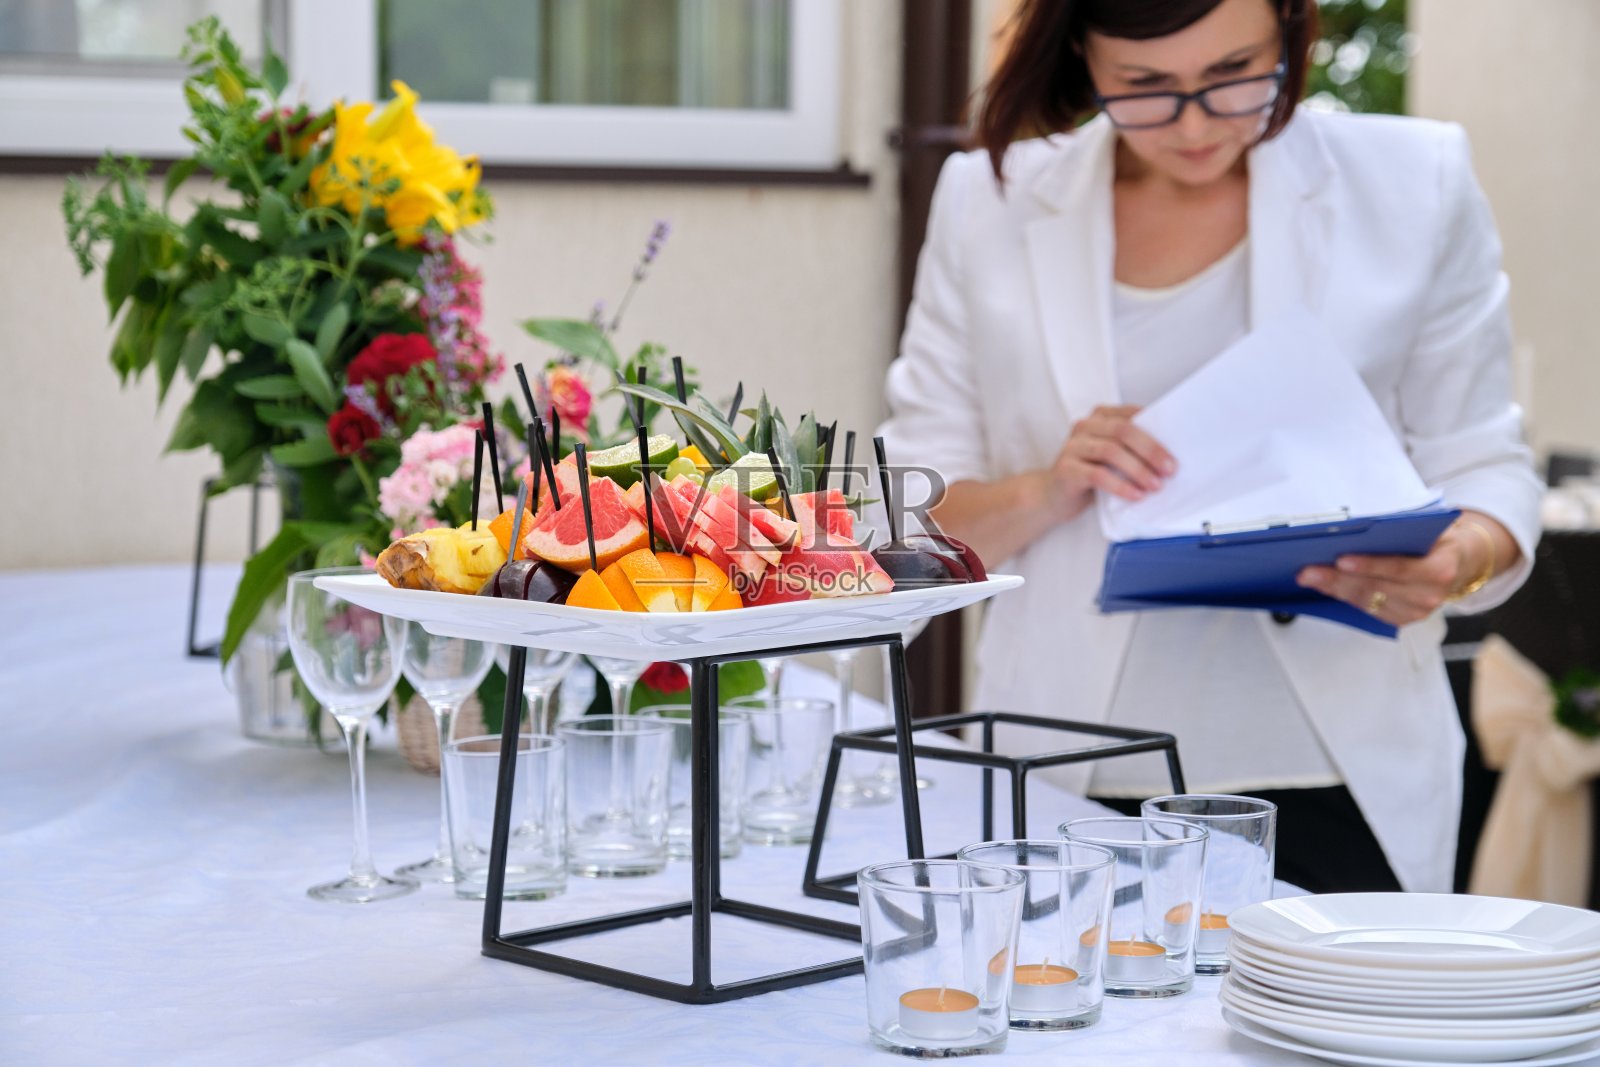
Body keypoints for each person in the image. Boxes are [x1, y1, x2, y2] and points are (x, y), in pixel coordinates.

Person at [879, 0, 1541, 894]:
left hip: (1341, 774)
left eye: (1235, 75)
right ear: (1082, 54)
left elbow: (1485, 462)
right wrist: (1048, 487)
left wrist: (1458, 556)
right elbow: (904, 532)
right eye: (1145, 88)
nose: (1195, 124)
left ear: (1290, 34)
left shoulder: (1412, 182)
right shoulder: (987, 201)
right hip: (1066, 777)